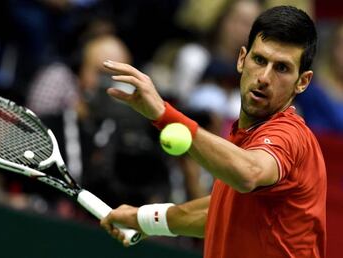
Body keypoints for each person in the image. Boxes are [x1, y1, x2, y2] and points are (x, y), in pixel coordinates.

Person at [100, 5, 326, 258]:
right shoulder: (243, 137)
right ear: (242, 59)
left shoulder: (291, 135)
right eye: (260, 60)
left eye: (281, 68)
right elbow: (219, 213)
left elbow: (249, 172)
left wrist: (165, 115)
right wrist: (143, 218)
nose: (264, 77)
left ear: (303, 81)